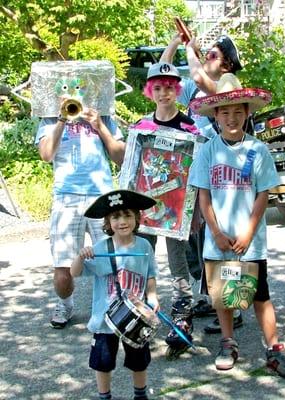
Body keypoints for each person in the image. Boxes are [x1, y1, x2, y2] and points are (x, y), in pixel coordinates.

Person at [188, 73, 285, 378]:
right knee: (224, 295)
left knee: (259, 295)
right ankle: (228, 342)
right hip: (218, 240)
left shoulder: (258, 150)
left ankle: (275, 349)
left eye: (239, 111)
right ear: (216, 116)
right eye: (225, 112)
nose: (232, 117)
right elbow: (204, 195)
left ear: (247, 113)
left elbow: (263, 193)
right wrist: (216, 232)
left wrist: (249, 230)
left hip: (249, 240)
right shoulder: (208, 150)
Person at [160, 33, 245, 333]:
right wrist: (174, 44)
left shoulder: (224, 87)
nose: (205, 58)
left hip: (224, 174)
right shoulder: (196, 93)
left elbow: (195, 74)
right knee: (198, 241)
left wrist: (189, 49)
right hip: (198, 172)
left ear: (227, 66)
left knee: (226, 240)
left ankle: (234, 307)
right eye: (205, 53)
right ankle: (211, 297)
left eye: (213, 55)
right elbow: (164, 76)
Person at [36, 91, 125, 329]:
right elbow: (45, 155)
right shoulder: (48, 121)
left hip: (101, 196)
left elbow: (121, 157)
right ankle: (65, 304)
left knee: (112, 261)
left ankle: (115, 306)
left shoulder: (103, 116)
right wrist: (62, 119)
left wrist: (99, 126)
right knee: (63, 270)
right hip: (66, 198)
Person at [70, 189, 159, 400]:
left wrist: (153, 296)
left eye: (128, 215)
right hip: (105, 319)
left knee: (139, 359)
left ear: (137, 218)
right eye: (116, 217)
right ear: (108, 222)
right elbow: (74, 272)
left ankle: (140, 395)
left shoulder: (145, 246)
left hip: (135, 316)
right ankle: (104, 396)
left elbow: (150, 275)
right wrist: (81, 256)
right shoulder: (101, 248)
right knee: (103, 361)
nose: (122, 221)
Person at [135, 61, 198, 359]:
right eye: (157, 88)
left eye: (169, 88)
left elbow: (196, 170)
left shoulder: (190, 127)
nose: (163, 93)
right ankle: (140, 313)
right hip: (146, 208)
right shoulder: (141, 127)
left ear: (177, 90)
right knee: (142, 259)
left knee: (178, 263)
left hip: (176, 209)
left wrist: (194, 210)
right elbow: (130, 166)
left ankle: (183, 317)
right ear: (150, 91)